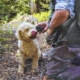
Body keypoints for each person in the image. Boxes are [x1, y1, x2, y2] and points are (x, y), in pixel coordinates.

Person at [36, 0, 80, 80]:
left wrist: (51, 27)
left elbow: (62, 13)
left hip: (70, 39)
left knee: (52, 75)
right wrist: (49, 22)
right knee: (72, 56)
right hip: (76, 34)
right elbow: (71, 10)